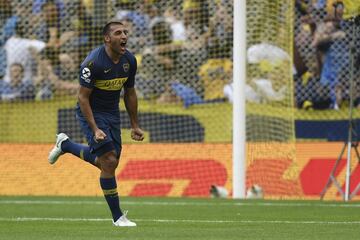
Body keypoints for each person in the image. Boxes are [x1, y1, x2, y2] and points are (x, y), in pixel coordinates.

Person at [47, 20, 144, 227]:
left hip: (112, 113)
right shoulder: (92, 64)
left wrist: (134, 125)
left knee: (108, 162)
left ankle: (65, 145)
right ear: (107, 39)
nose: (124, 36)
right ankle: (118, 217)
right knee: (108, 161)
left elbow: (130, 92)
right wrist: (95, 129)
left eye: (125, 32)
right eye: (118, 33)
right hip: (91, 112)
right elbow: (82, 98)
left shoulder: (129, 61)